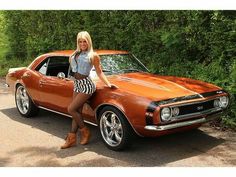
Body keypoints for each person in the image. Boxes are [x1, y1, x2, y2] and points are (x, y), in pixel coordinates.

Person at [61, 31, 118, 149]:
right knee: (77, 112)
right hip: (77, 84)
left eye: (84, 41)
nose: (82, 44)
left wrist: (108, 83)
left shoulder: (93, 55)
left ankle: (85, 131)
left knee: (71, 109)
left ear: (88, 42)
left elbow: (99, 72)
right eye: (80, 41)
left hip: (87, 85)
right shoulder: (75, 54)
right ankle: (72, 139)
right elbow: (73, 70)